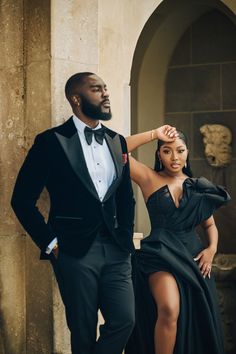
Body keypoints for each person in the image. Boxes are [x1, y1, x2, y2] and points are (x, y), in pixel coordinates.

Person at [11, 72, 138, 354]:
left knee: (125, 320)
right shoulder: (50, 142)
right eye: (97, 89)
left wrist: (126, 237)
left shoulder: (117, 142)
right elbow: (21, 200)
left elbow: (126, 198)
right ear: (76, 98)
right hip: (74, 251)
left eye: (106, 88)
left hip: (116, 250)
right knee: (82, 329)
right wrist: (52, 244)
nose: (106, 94)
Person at [124, 128, 231, 354]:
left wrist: (211, 250)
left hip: (192, 257)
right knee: (169, 309)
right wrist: (154, 133)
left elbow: (209, 225)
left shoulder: (198, 186)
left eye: (180, 151)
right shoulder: (149, 178)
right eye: (167, 151)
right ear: (159, 155)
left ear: (187, 153)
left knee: (194, 317)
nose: (174, 157)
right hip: (159, 254)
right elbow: (117, 149)